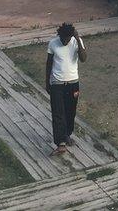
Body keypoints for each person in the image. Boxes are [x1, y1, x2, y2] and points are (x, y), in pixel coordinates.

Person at [45, 23, 87, 155]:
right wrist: (47, 82)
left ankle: (67, 135)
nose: (65, 41)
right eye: (63, 38)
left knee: (70, 111)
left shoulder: (76, 41)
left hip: (73, 83)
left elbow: (83, 58)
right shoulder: (53, 43)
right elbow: (49, 64)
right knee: (58, 113)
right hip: (57, 83)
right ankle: (60, 143)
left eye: (67, 39)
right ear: (60, 35)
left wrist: (78, 40)